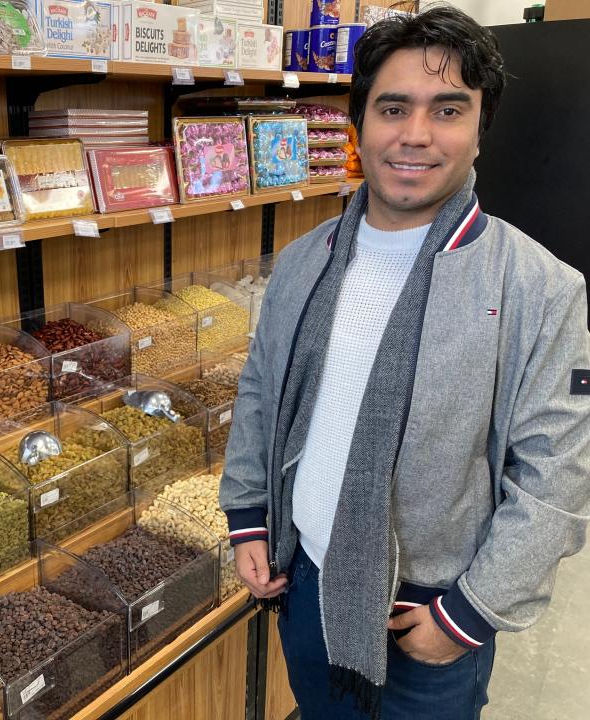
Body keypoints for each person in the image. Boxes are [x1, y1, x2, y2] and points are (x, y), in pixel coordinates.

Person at [219, 6, 590, 720]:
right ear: (360, 121)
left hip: (430, 617)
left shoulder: (538, 288)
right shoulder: (305, 263)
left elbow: (557, 479)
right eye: (393, 107)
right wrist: (250, 518)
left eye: (448, 109)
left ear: (480, 127)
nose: (416, 135)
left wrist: (469, 615)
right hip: (304, 587)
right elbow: (262, 392)